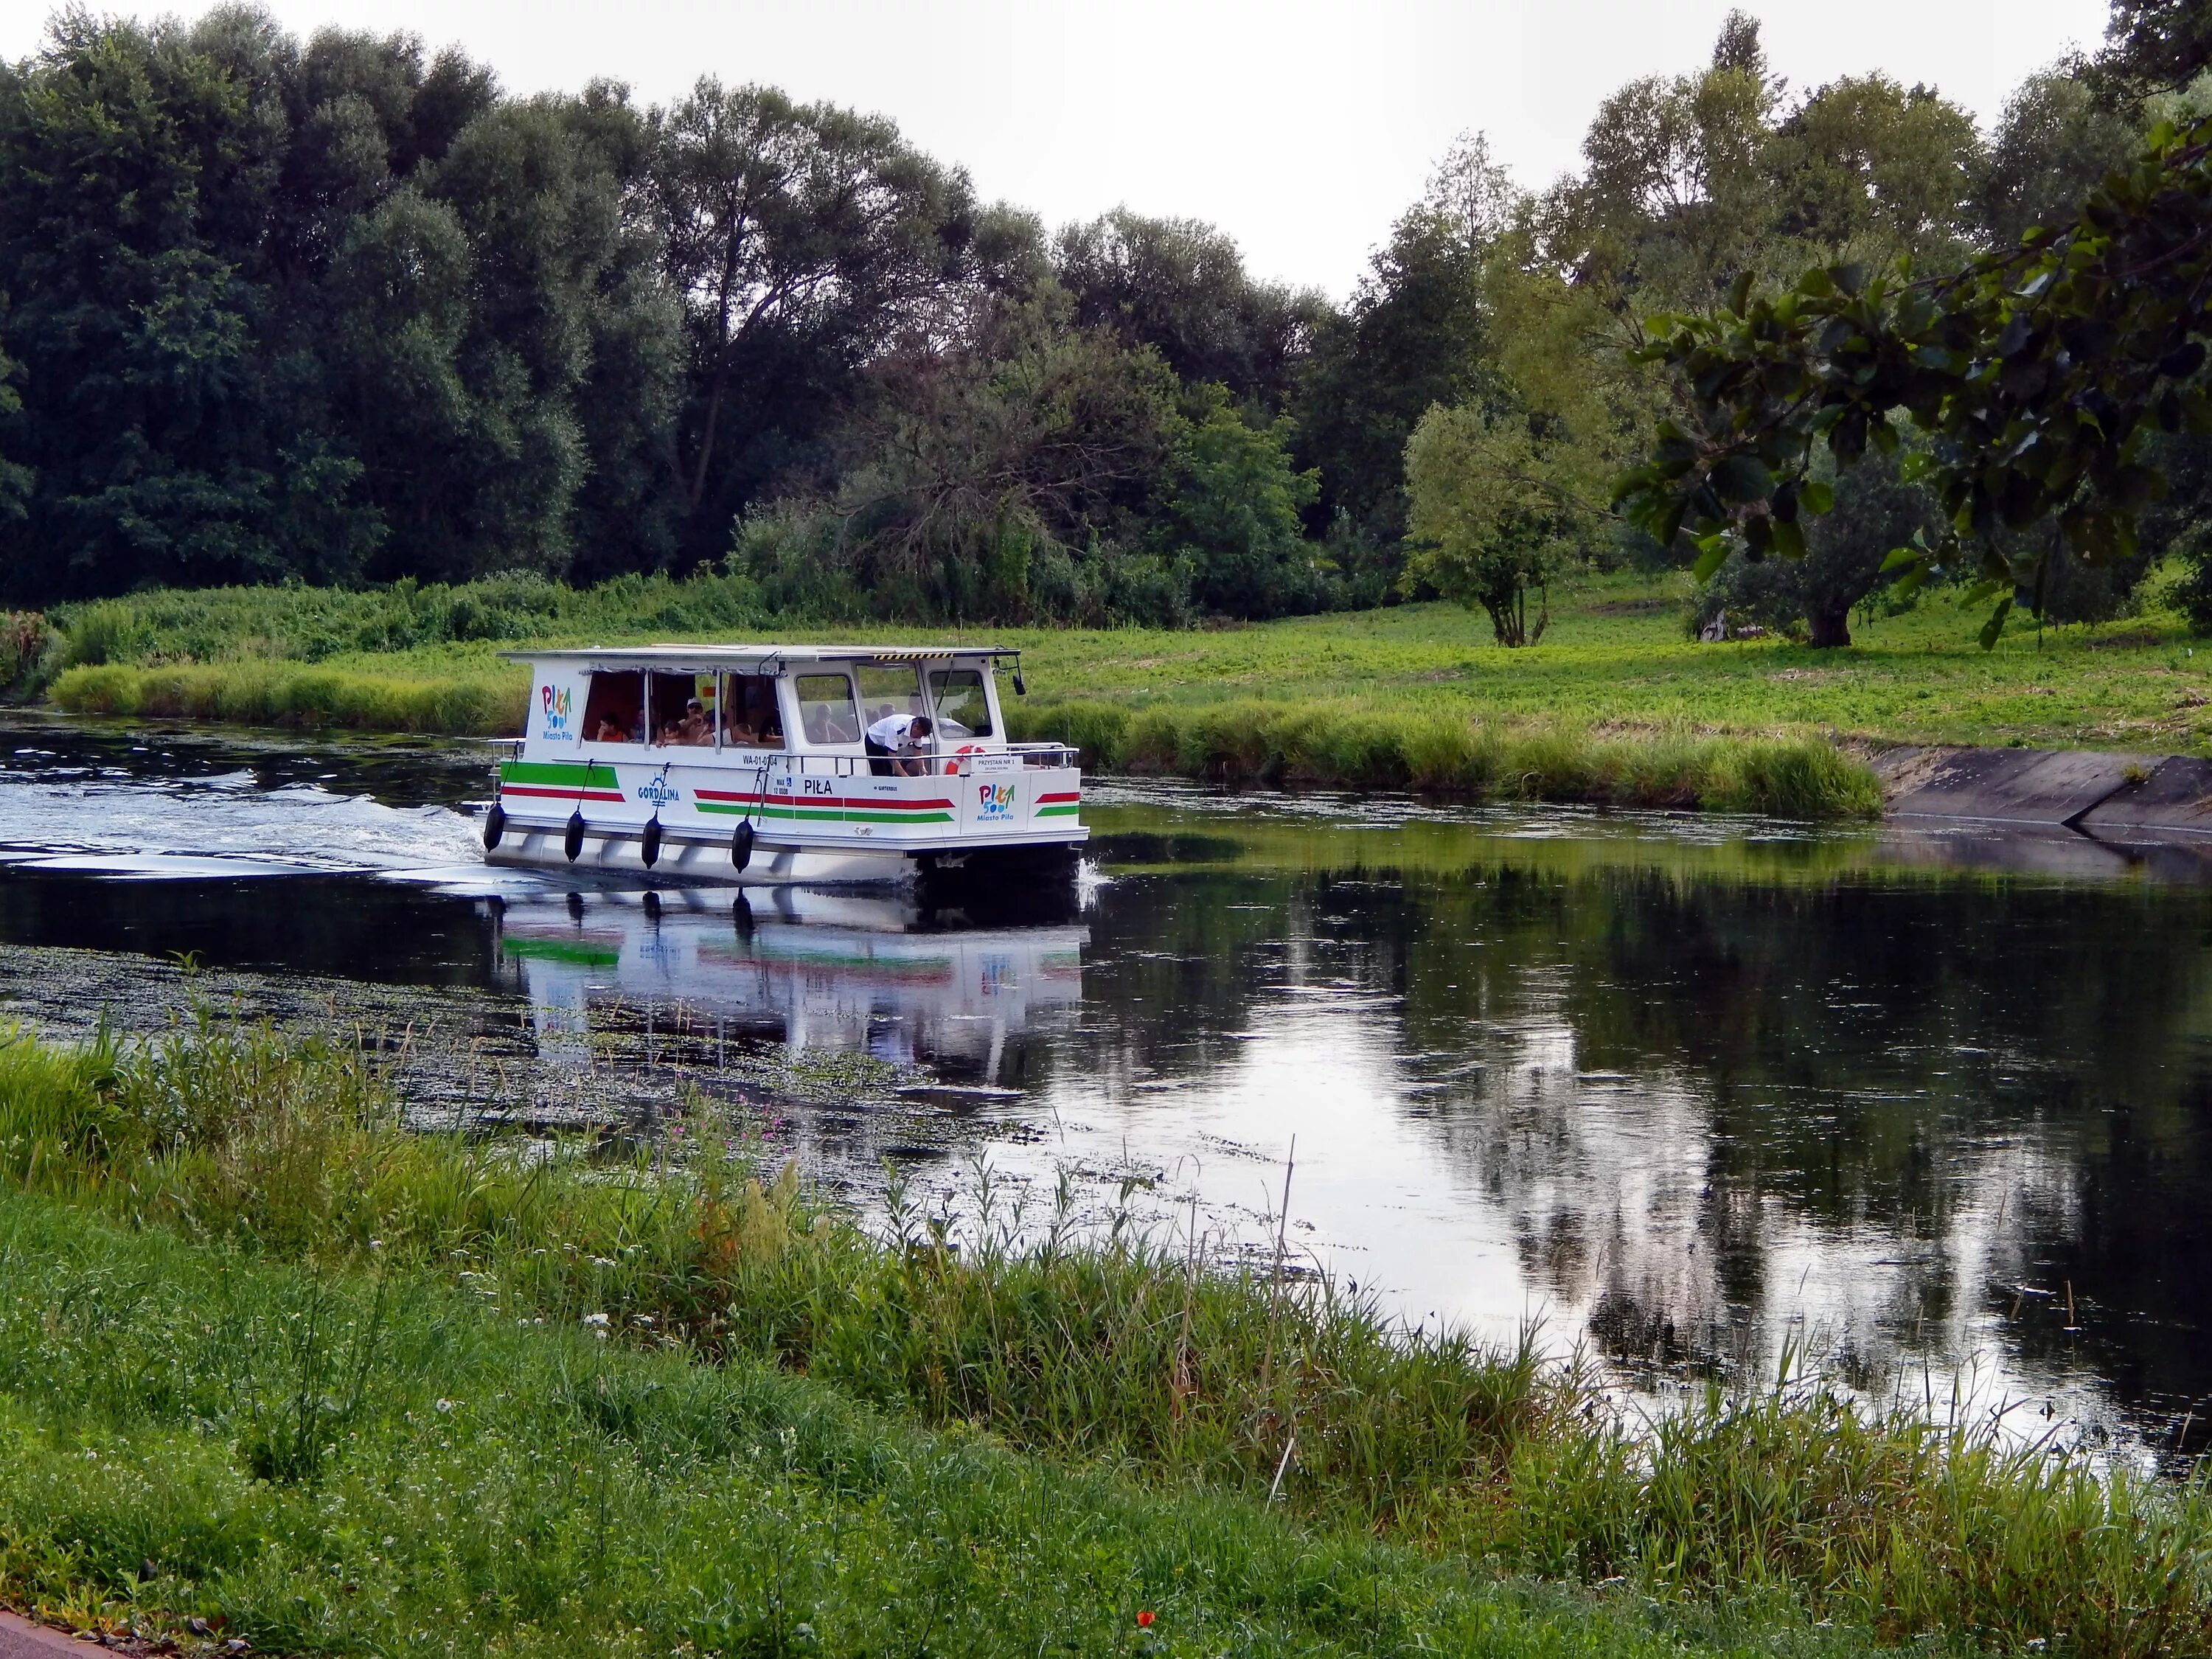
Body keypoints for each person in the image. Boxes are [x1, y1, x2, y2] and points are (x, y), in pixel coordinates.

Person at [865, 711, 934, 776]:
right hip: (874, 739)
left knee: (890, 772)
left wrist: (922, 768)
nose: (919, 738)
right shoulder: (896, 728)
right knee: (881, 773)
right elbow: (892, 758)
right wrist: (906, 777)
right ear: (916, 727)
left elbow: (918, 753)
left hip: (887, 742)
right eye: (919, 735)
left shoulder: (918, 731)